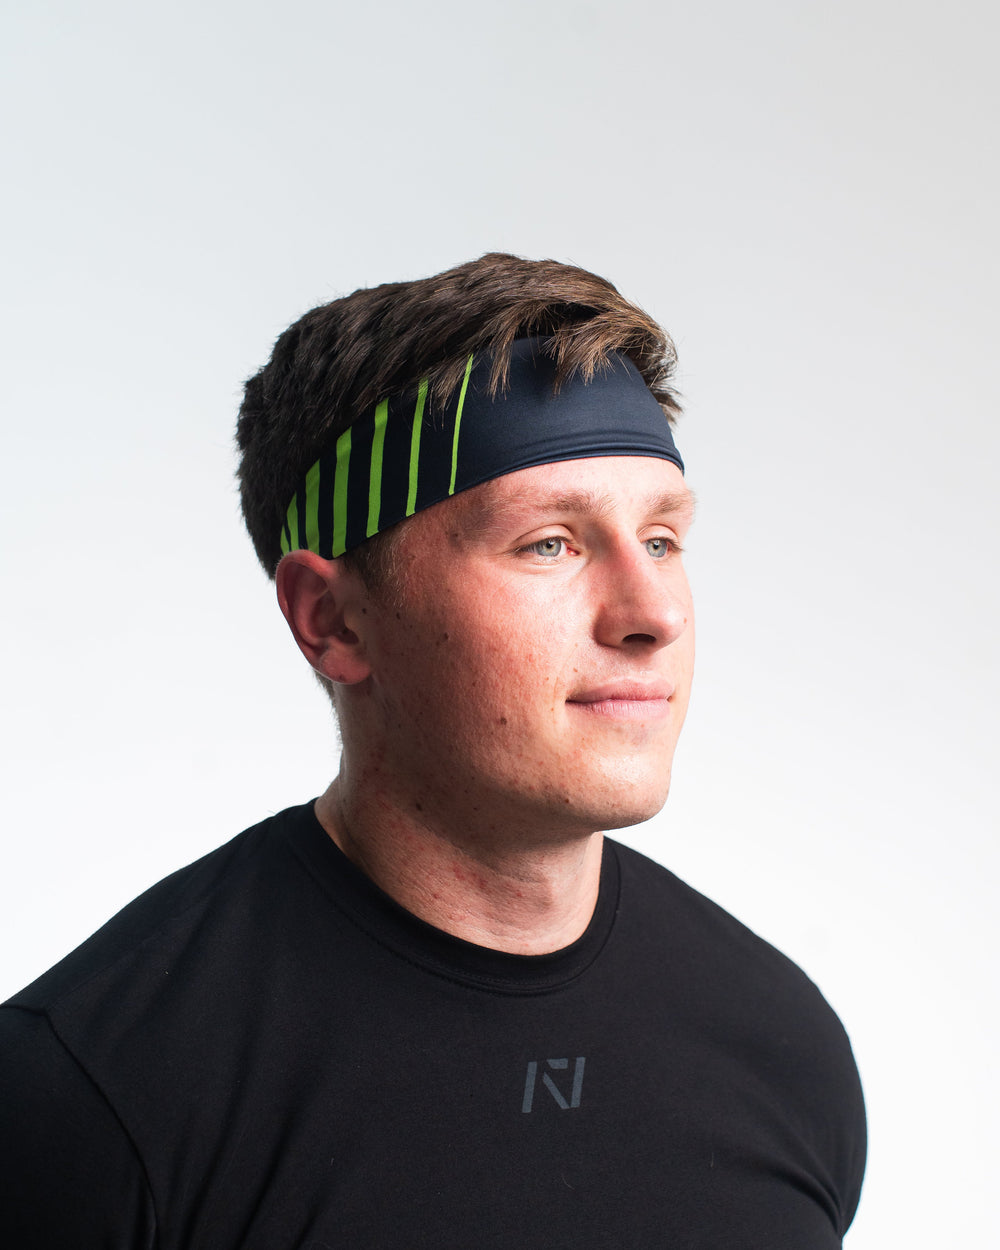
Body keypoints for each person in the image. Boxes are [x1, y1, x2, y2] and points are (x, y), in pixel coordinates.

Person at [0, 254, 866, 1248]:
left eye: (662, 539)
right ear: (333, 620)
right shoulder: (92, 1099)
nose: (654, 613)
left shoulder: (780, 1043)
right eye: (549, 542)